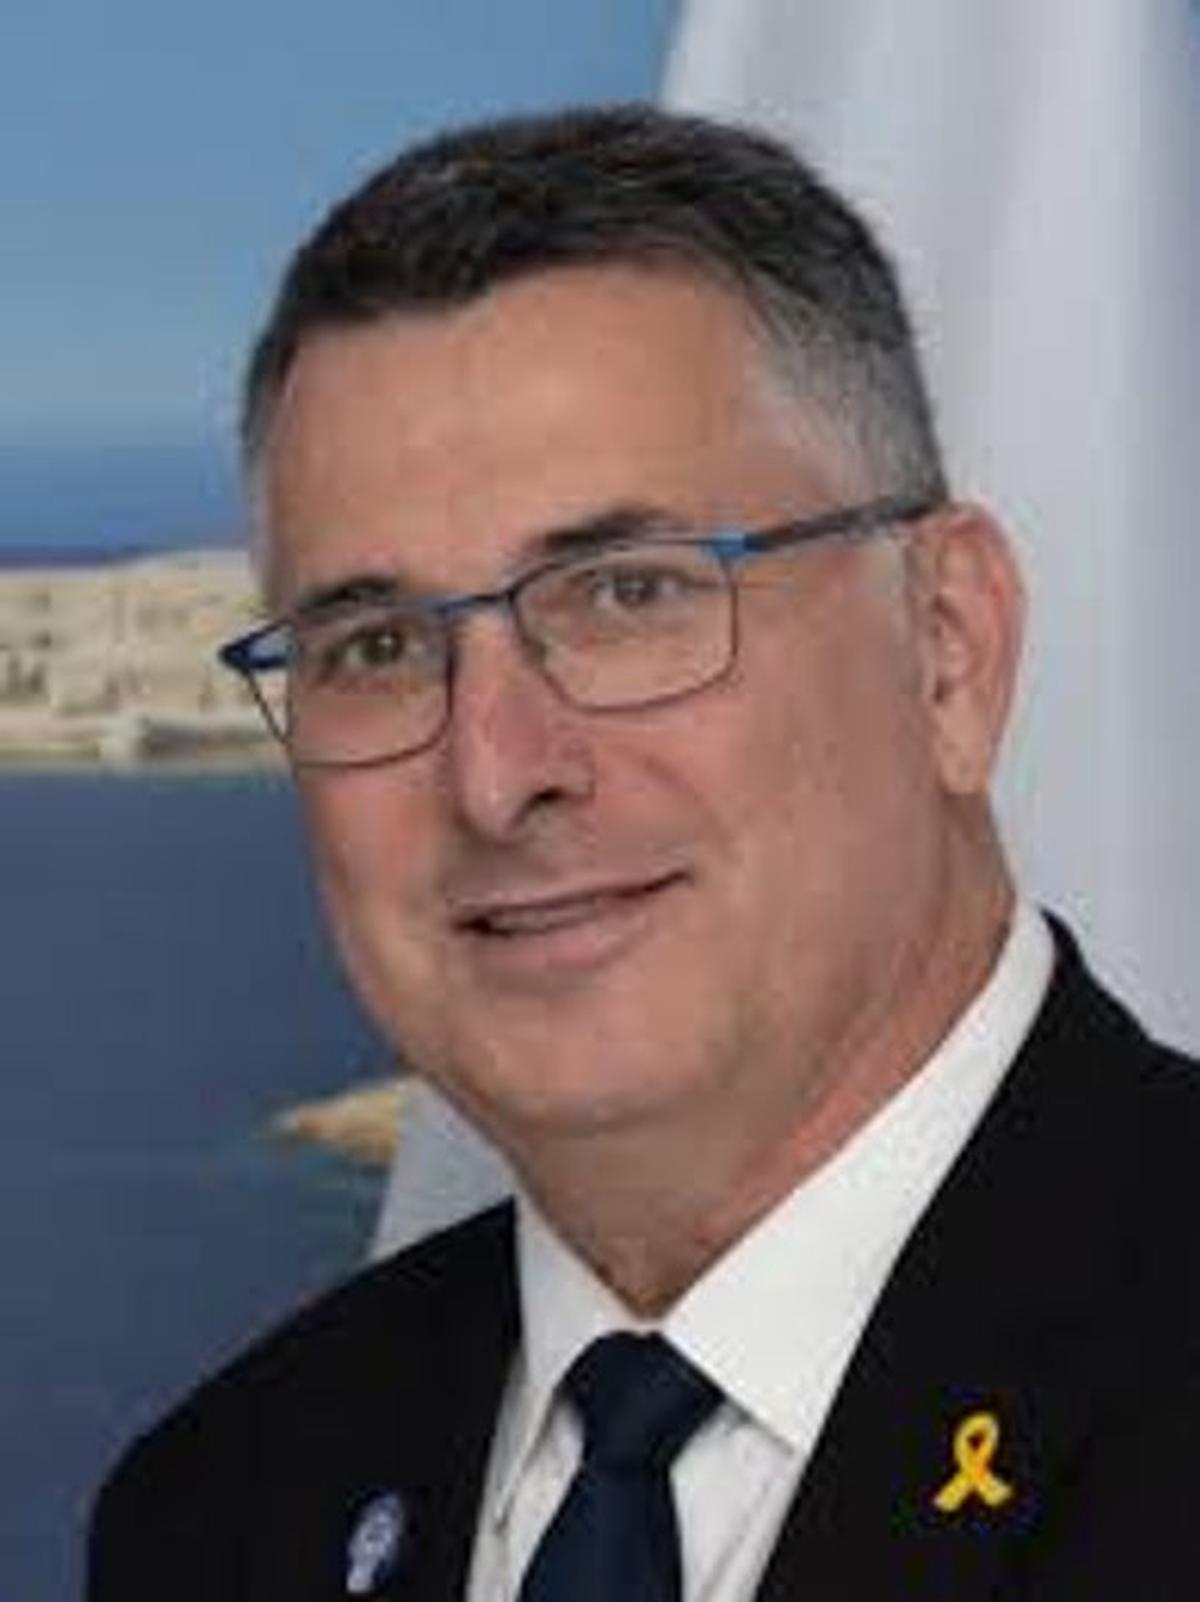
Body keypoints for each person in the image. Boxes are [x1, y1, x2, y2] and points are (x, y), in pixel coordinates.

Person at [88, 104, 1200, 1601]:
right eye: (378, 646)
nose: (498, 776)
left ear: (947, 648)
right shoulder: (219, 1513)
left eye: (625, 595)